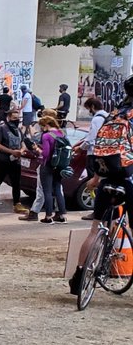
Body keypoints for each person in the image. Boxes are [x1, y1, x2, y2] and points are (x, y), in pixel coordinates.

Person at [69, 76, 133, 296]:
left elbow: (102, 148)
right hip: (129, 178)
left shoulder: (114, 115)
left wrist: (96, 178)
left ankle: (79, 277)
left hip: (107, 177)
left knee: (95, 229)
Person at [0, 108, 29, 216]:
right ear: (8, 117)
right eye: (14, 118)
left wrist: (21, 151)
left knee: (16, 183)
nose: (16, 120)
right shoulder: (3, 128)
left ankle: (17, 204)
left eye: (18, 118)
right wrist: (11, 151)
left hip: (16, 161)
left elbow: (23, 142)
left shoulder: (18, 130)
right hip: (3, 160)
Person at [31, 114, 67, 223]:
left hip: (48, 165)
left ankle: (48, 216)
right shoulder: (62, 134)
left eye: (42, 126)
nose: (42, 129)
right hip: (60, 165)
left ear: (46, 125)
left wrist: (37, 149)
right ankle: (61, 215)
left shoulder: (46, 136)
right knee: (58, 190)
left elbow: (46, 153)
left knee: (47, 191)